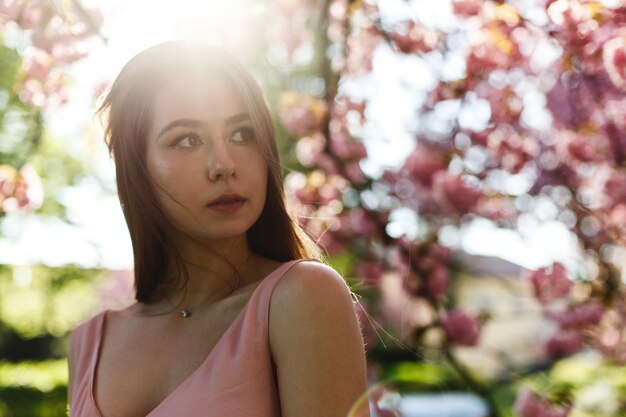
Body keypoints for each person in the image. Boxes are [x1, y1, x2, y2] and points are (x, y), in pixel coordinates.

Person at [67, 41, 370, 417]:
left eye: (243, 134)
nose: (224, 164)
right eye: (187, 140)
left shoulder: (302, 297)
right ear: (137, 169)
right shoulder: (90, 342)